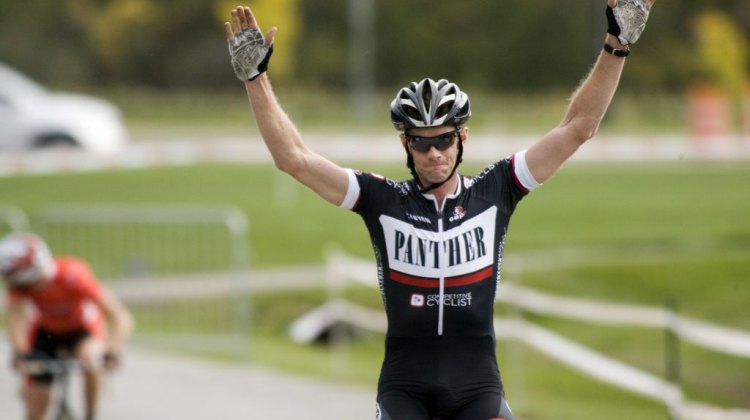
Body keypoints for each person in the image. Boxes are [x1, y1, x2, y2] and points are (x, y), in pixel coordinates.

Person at [224, 0, 653, 418]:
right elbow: (293, 158)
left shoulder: (498, 188)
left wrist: (618, 42)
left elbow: (579, 127)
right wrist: (255, 79)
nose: (434, 153)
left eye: (444, 140)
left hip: (478, 388)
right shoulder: (381, 199)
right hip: (404, 391)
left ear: (462, 138)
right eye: (422, 142)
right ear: (405, 145)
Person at [0, 232, 134, 420]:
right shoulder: (19, 287)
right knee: (35, 394)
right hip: (46, 332)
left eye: (9, 274)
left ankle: (90, 415)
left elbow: (120, 316)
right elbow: (15, 319)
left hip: (82, 331)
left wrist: (111, 351)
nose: (7, 280)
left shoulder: (72, 274)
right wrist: (20, 352)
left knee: (92, 361)